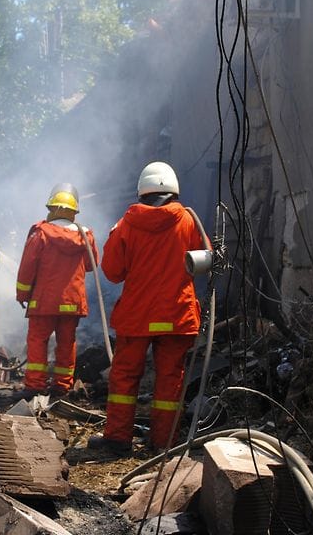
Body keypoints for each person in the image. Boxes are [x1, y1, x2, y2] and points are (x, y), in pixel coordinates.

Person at [90, 161, 204, 454]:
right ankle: (164, 444)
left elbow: (113, 271)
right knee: (170, 380)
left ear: (142, 191)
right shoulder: (189, 221)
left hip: (137, 316)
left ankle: (117, 440)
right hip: (176, 314)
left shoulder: (127, 223)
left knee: (126, 376)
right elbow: (203, 263)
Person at [15, 184, 99, 398]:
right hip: (72, 301)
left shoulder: (41, 233)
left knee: (37, 341)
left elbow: (27, 268)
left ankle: (35, 386)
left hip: (43, 302)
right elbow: (91, 265)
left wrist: (22, 295)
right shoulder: (85, 236)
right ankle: (62, 385)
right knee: (66, 342)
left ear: (51, 209)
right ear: (74, 212)